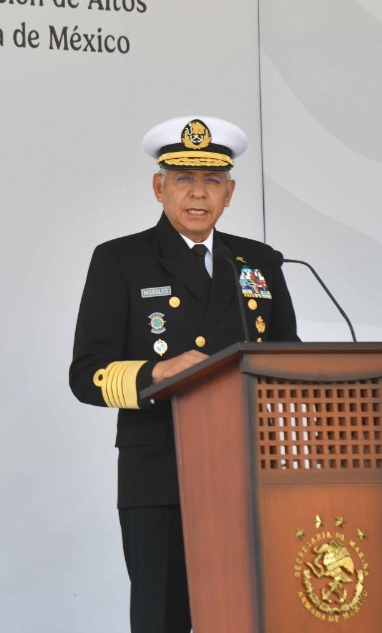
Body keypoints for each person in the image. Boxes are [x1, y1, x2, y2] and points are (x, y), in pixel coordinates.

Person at [69, 116, 299, 633]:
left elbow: (289, 358)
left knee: (248, 615)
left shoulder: (258, 262)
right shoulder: (120, 260)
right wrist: (157, 372)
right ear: (159, 187)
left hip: (248, 471)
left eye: (212, 180)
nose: (199, 193)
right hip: (160, 472)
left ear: (231, 192)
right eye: (184, 179)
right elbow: (85, 374)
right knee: (164, 619)